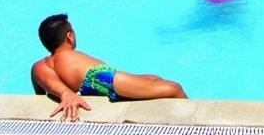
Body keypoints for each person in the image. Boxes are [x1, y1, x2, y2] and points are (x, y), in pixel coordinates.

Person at [30, 13, 186, 119]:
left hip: (97, 82)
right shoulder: (49, 63)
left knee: (154, 79)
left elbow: (45, 84)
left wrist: (64, 92)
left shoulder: (44, 64)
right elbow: (51, 82)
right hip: (101, 78)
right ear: (69, 37)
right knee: (174, 88)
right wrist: (65, 93)